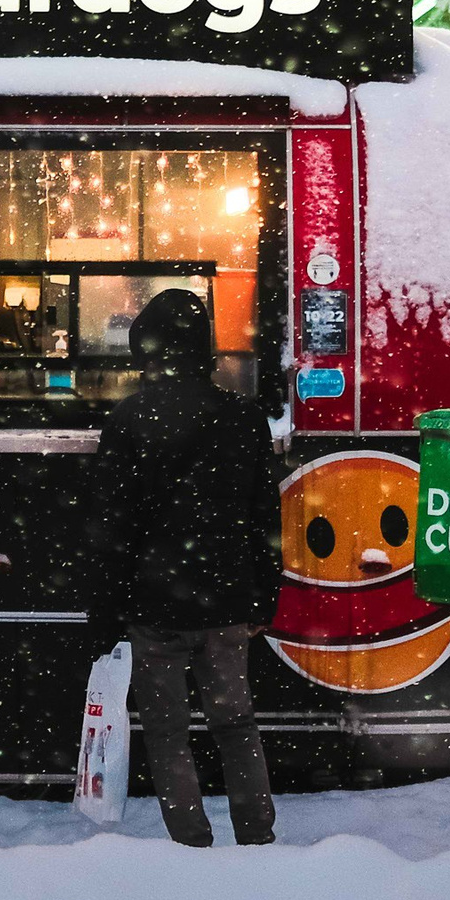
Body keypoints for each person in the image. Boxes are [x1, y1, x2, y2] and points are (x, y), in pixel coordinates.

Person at [89, 289, 282, 848]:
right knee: (236, 725)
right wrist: (265, 594)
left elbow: (111, 526)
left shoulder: (129, 418)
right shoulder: (243, 416)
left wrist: (104, 610)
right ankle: (257, 838)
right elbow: (264, 514)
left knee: (167, 732)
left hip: (155, 604)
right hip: (226, 600)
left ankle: (191, 842)